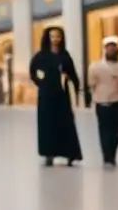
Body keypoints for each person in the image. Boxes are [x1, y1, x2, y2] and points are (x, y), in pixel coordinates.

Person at [29, 26, 82, 166]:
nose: (55, 39)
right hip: (46, 95)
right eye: (52, 36)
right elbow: (32, 71)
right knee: (47, 124)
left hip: (62, 95)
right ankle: (49, 153)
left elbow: (73, 74)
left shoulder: (65, 56)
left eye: (58, 36)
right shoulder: (41, 55)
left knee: (66, 123)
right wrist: (41, 82)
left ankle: (70, 153)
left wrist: (77, 90)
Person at [88, 36, 118, 168]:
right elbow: (91, 83)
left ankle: (112, 154)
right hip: (101, 101)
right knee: (104, 129)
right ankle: (107, 156)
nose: (111, 49)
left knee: (116, 130)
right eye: (108, 47)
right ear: (104, 49)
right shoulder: (95, 66)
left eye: (113, 47)